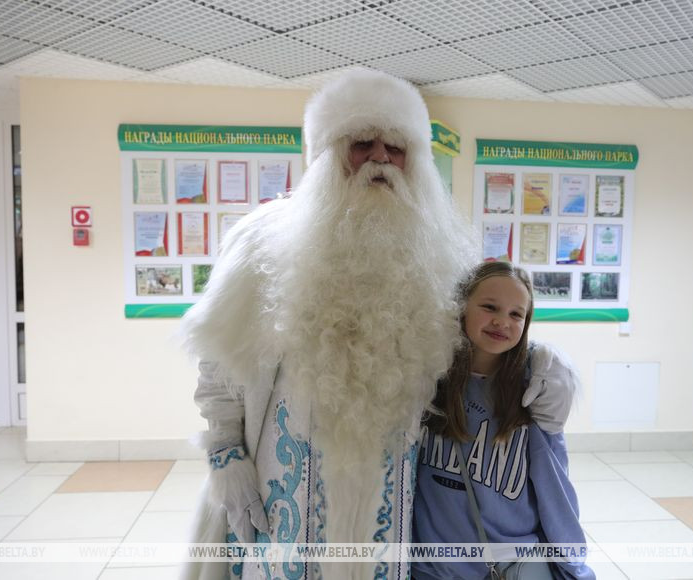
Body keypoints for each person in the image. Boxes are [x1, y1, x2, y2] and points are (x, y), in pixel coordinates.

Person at [179, 69, 478, 580]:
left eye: (396, 146)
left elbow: (490, 342)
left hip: (390, 514)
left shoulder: (442, 257)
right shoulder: (261, 240)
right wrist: (225, 454)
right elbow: (219, 359)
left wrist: (542, 367)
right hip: (281, 507)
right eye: (362, 143)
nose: (380, 158)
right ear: (327, 155)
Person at [412, 261, 595, 579]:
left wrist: (572, 566)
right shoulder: (427, 378)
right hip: (433, 567)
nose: (502, 321)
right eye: (489, 307)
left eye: (516, 314)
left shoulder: (536, 388)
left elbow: (554, 486)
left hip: (512, 565)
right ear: (462, 307)